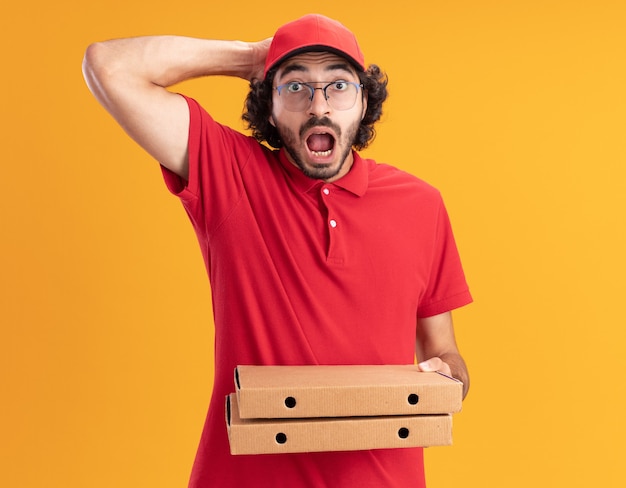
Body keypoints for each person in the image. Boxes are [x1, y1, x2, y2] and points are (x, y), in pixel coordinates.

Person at [83, 13, 472, 488]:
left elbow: (444, 351)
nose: (318, 105)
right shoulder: (229, 176)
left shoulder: (421, 204)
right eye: (295, 88)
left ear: (364, 100)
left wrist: (445, 378)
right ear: (268, 105)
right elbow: (109, 66)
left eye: (338, 86)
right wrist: (250, 58)